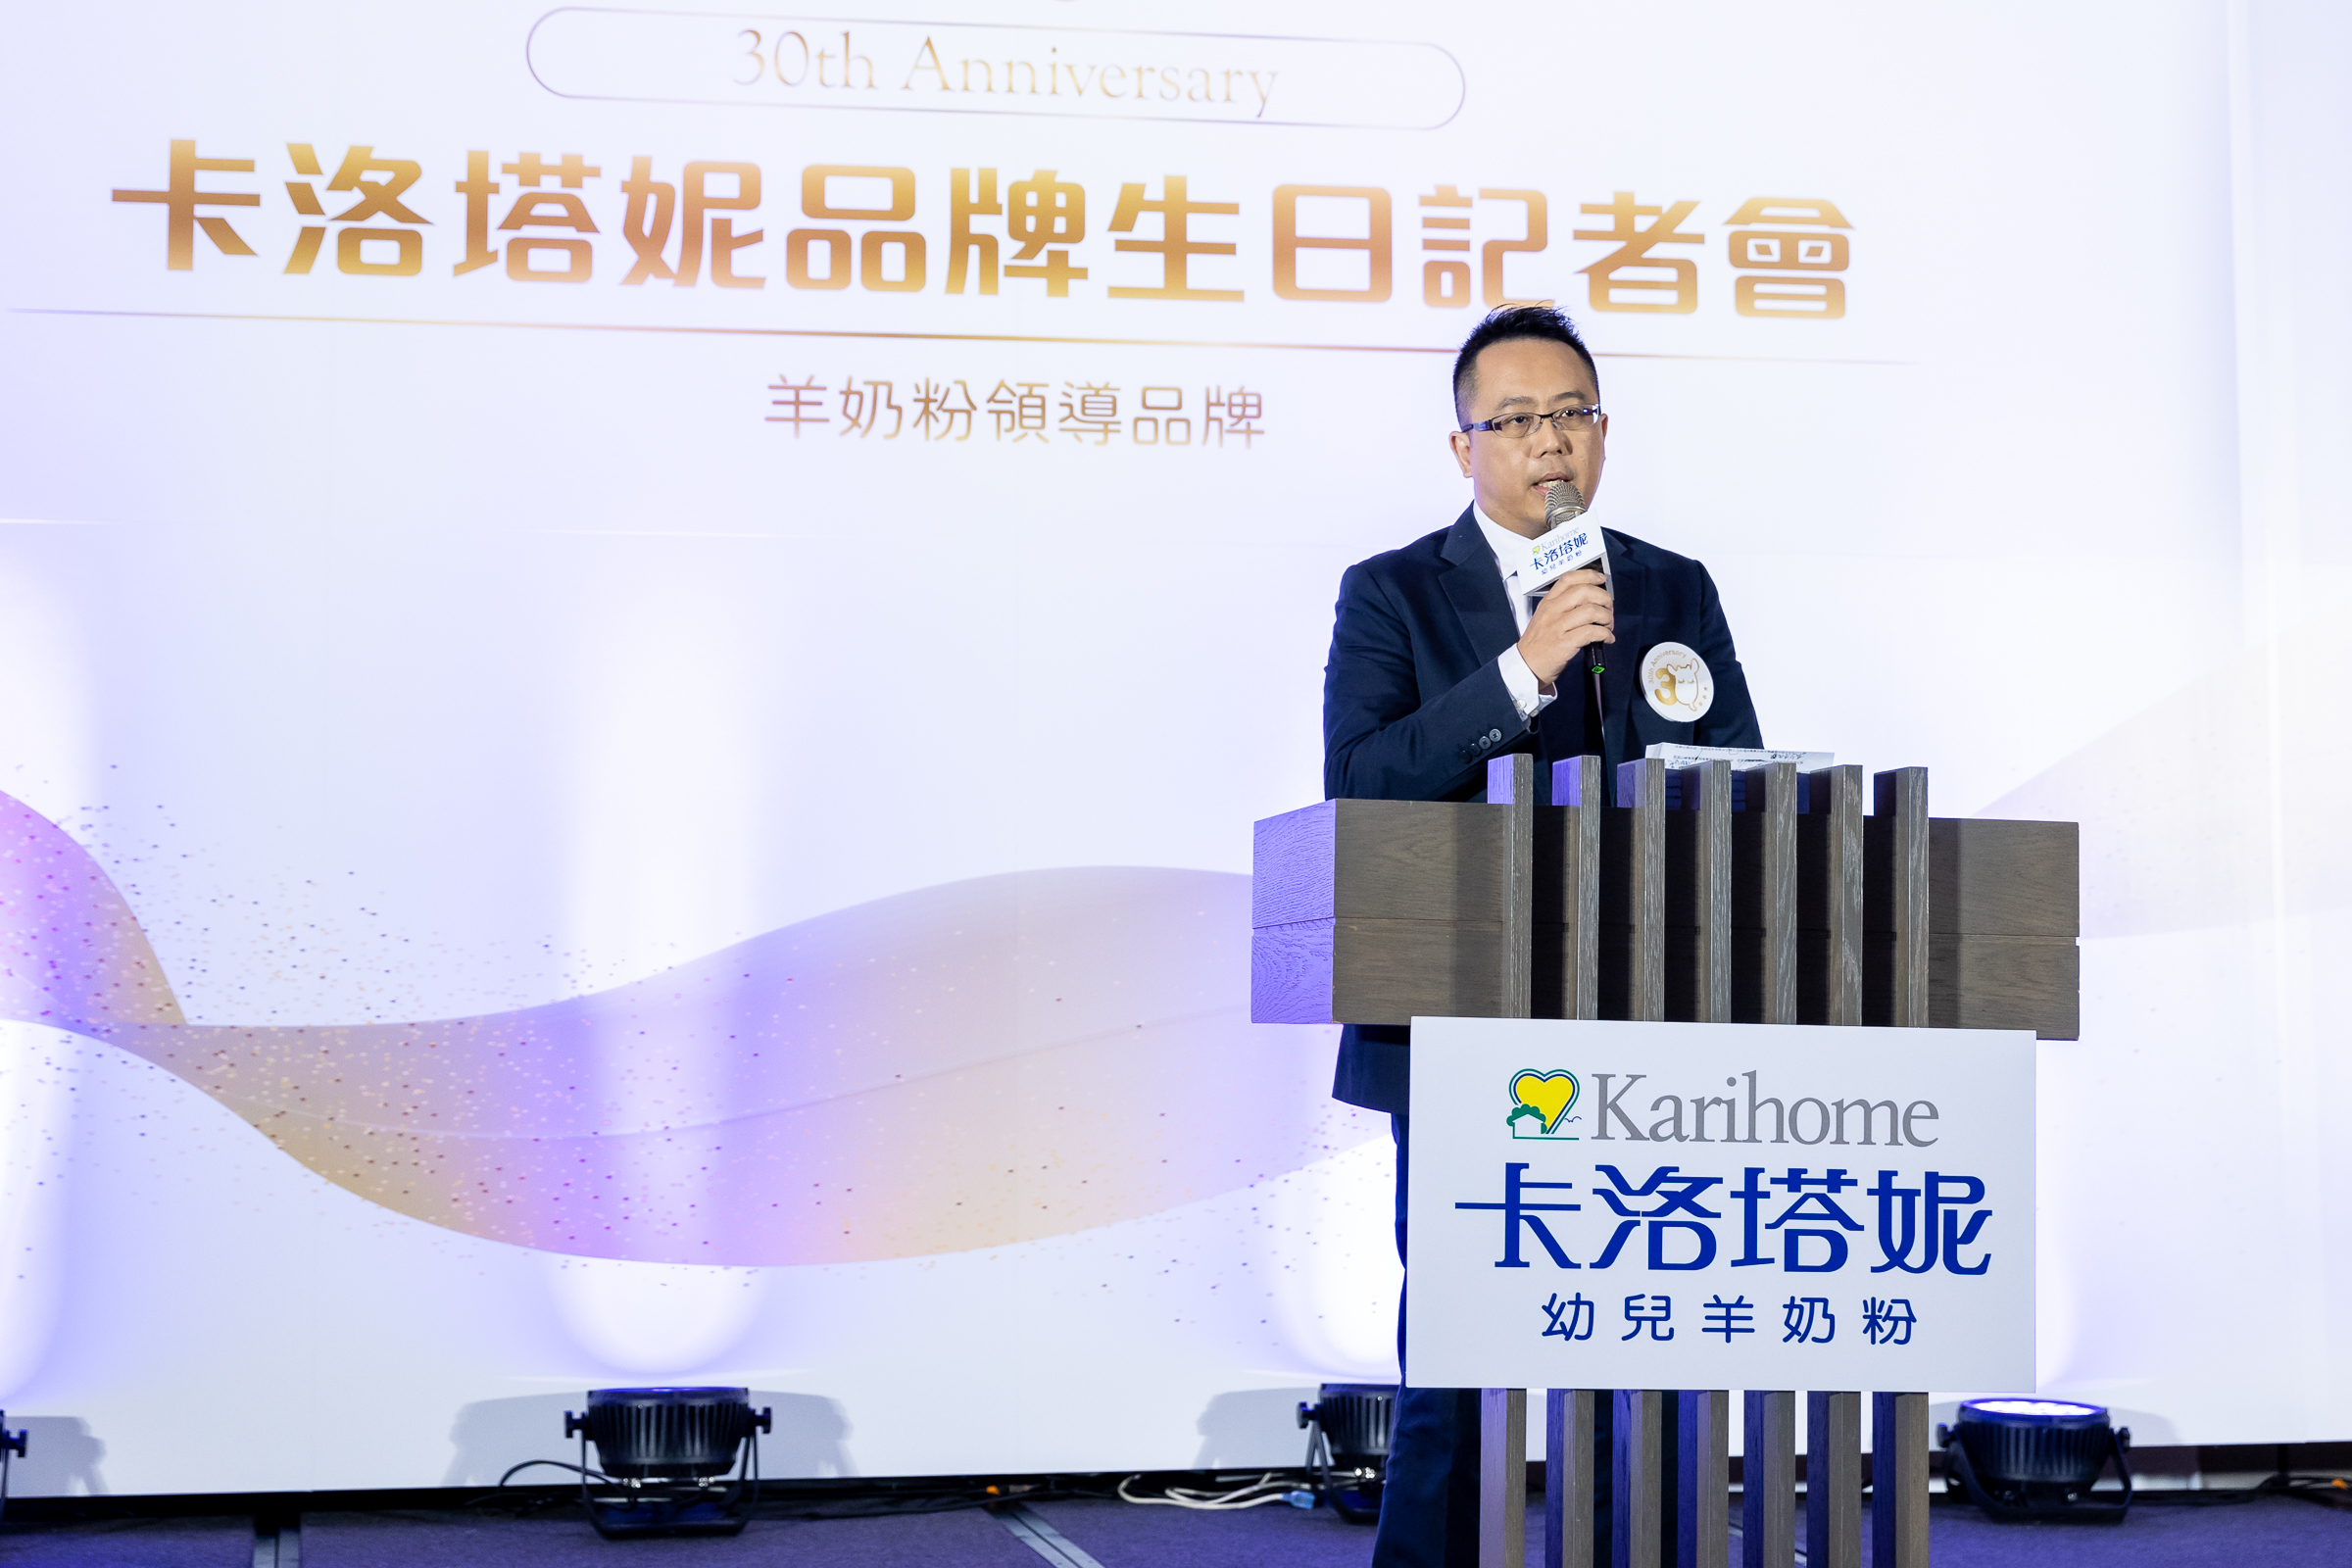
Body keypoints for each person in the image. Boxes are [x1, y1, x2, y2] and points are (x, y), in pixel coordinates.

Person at [1320, 305, 1764, 1567]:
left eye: (1571, 413)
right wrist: (1522, 671)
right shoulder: (1394, 591)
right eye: (1514, 420)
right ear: (1464, 448)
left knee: (1646, 1333)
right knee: (1464, 1345)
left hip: (1651, 1022)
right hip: (1463, 1018)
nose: (1549, 442)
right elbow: (1360, 781)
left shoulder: (1673, 587)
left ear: (1604, 431)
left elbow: (1735, 775)